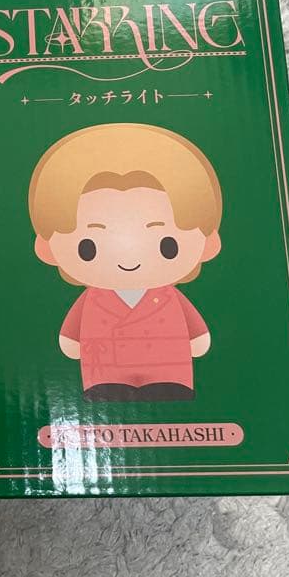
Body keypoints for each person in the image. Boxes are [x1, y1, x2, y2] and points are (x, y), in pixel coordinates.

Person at [28, 123, 222, 401]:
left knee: (169, 394)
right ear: (47, 248)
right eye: (88, 248)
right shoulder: (92, 299)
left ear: (209, 242)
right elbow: (71, 336)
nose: (129, 260)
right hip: (105, 372)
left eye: (167, 245)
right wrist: (71, 339)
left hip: (168, 369)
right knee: (106, 393)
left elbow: (196, 333)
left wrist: (197, 336)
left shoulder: (169, 297)